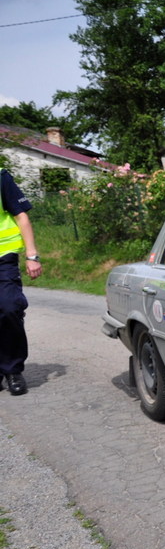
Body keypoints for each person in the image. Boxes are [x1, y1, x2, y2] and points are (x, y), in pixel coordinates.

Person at [0, 168, 42, 395]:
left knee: (9, 308)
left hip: (3, 257)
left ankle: (12, 369)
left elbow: (21, 216)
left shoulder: (0, 177)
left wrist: (32, 255)